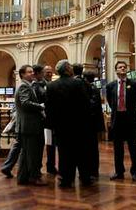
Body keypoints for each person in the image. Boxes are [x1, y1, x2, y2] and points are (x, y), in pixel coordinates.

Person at [45, 60, 92, 188]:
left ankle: (66, 179)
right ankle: (85, 177)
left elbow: (49, 108)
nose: (72, 69)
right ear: (67, 69)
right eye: (70, 67)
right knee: (82, 152)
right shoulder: (78, 83)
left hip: (60, 126)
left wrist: (51, 125)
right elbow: (86, 104)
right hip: (79, 125)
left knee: (64, 153)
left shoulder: (51, 86)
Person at [106, 61, 136, 182]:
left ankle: (135, 172)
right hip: (117, 119)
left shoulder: (134, 84)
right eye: (120, 67)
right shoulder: (110, 86)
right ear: (116, 71)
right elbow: (111, 102)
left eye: (124, 67)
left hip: (130, 119)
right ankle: (119, 172)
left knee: (133, 147)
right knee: (118, 148)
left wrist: (129, 111)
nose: (123, 69)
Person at [15, 65, 47, 186]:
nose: (32, 73)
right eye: (29, 72)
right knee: (32, 154)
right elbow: (25, 103)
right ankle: (34, 177)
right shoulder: (24, 86)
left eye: (32, 71)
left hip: (29, 125)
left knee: (26, 153)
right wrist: (40, 106)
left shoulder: (28, 85)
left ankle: (23, 177)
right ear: (22, 74)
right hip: (30, 125)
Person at [83, 71, 105, 178]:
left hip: (91, 123)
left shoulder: (92, 89)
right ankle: (92, 170)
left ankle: (93, 170)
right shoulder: (94, 89)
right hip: (93, 123)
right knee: (92, 148)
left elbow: (92, 105)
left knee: (91, 148)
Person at [43, 65, 58, 175]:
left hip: (53, 119)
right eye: (47, 72)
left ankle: (51, 165)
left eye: (50, 72)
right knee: (49, 144)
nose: (49, 74)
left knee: (52, 143)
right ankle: (50, 166)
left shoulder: (51, 84)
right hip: (46, 120)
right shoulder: (41, 85)